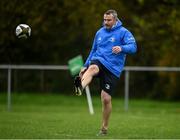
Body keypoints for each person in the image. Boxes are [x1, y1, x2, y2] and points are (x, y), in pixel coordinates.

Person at [74, 9, 137, 135]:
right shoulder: (99, 32)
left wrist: (122, 48)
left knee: (106, 98)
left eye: (108, 20)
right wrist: (85, 65)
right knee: (92, 68)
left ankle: (104, 128)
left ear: (115, 20)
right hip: (99, 60)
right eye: (104, 20)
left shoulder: (123, 32)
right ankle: (80, 86)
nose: (106, 22)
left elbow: (133, 47)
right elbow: (93, 50)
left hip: (113, 69)